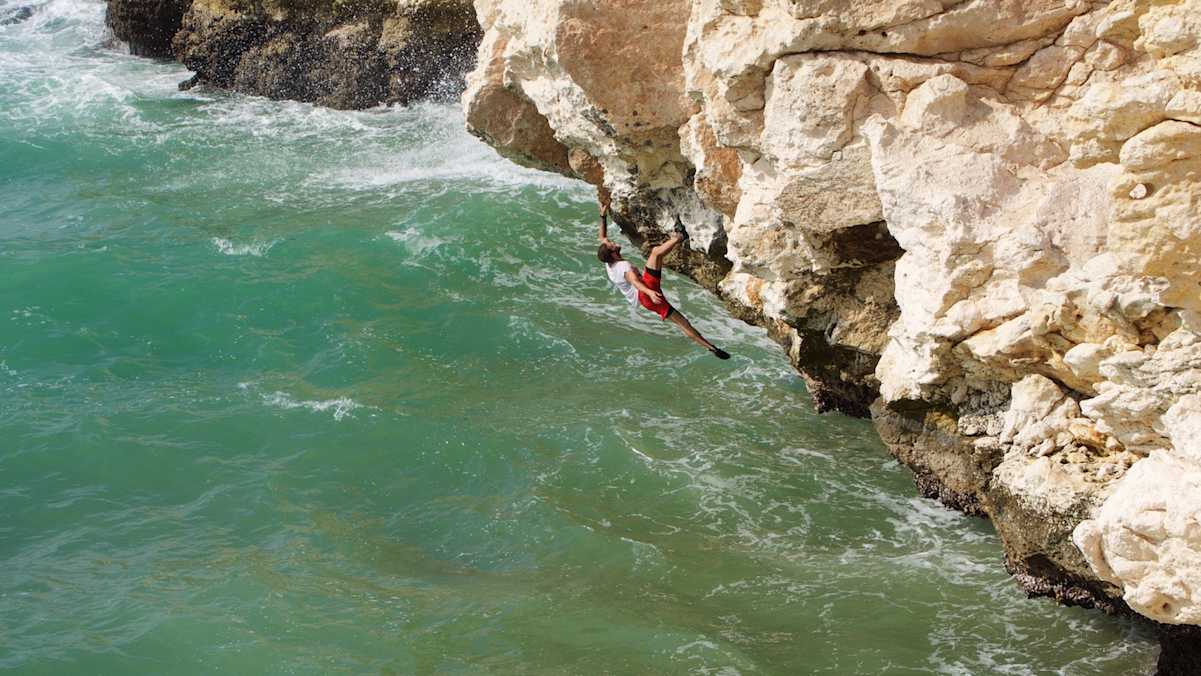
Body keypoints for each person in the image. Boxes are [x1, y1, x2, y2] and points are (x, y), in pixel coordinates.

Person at [596, 198, 731, 360]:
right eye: (612, 245)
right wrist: (650, 292)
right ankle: (681, 235)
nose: (613, 243)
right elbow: (635, 282)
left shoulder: (609, 264)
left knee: (682, 322)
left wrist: (602, 216)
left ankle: (712, 348)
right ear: (613, 254)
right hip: (646, 291)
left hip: (646, 301)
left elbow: (602, 237)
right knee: (655, 253)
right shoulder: (623, 267)